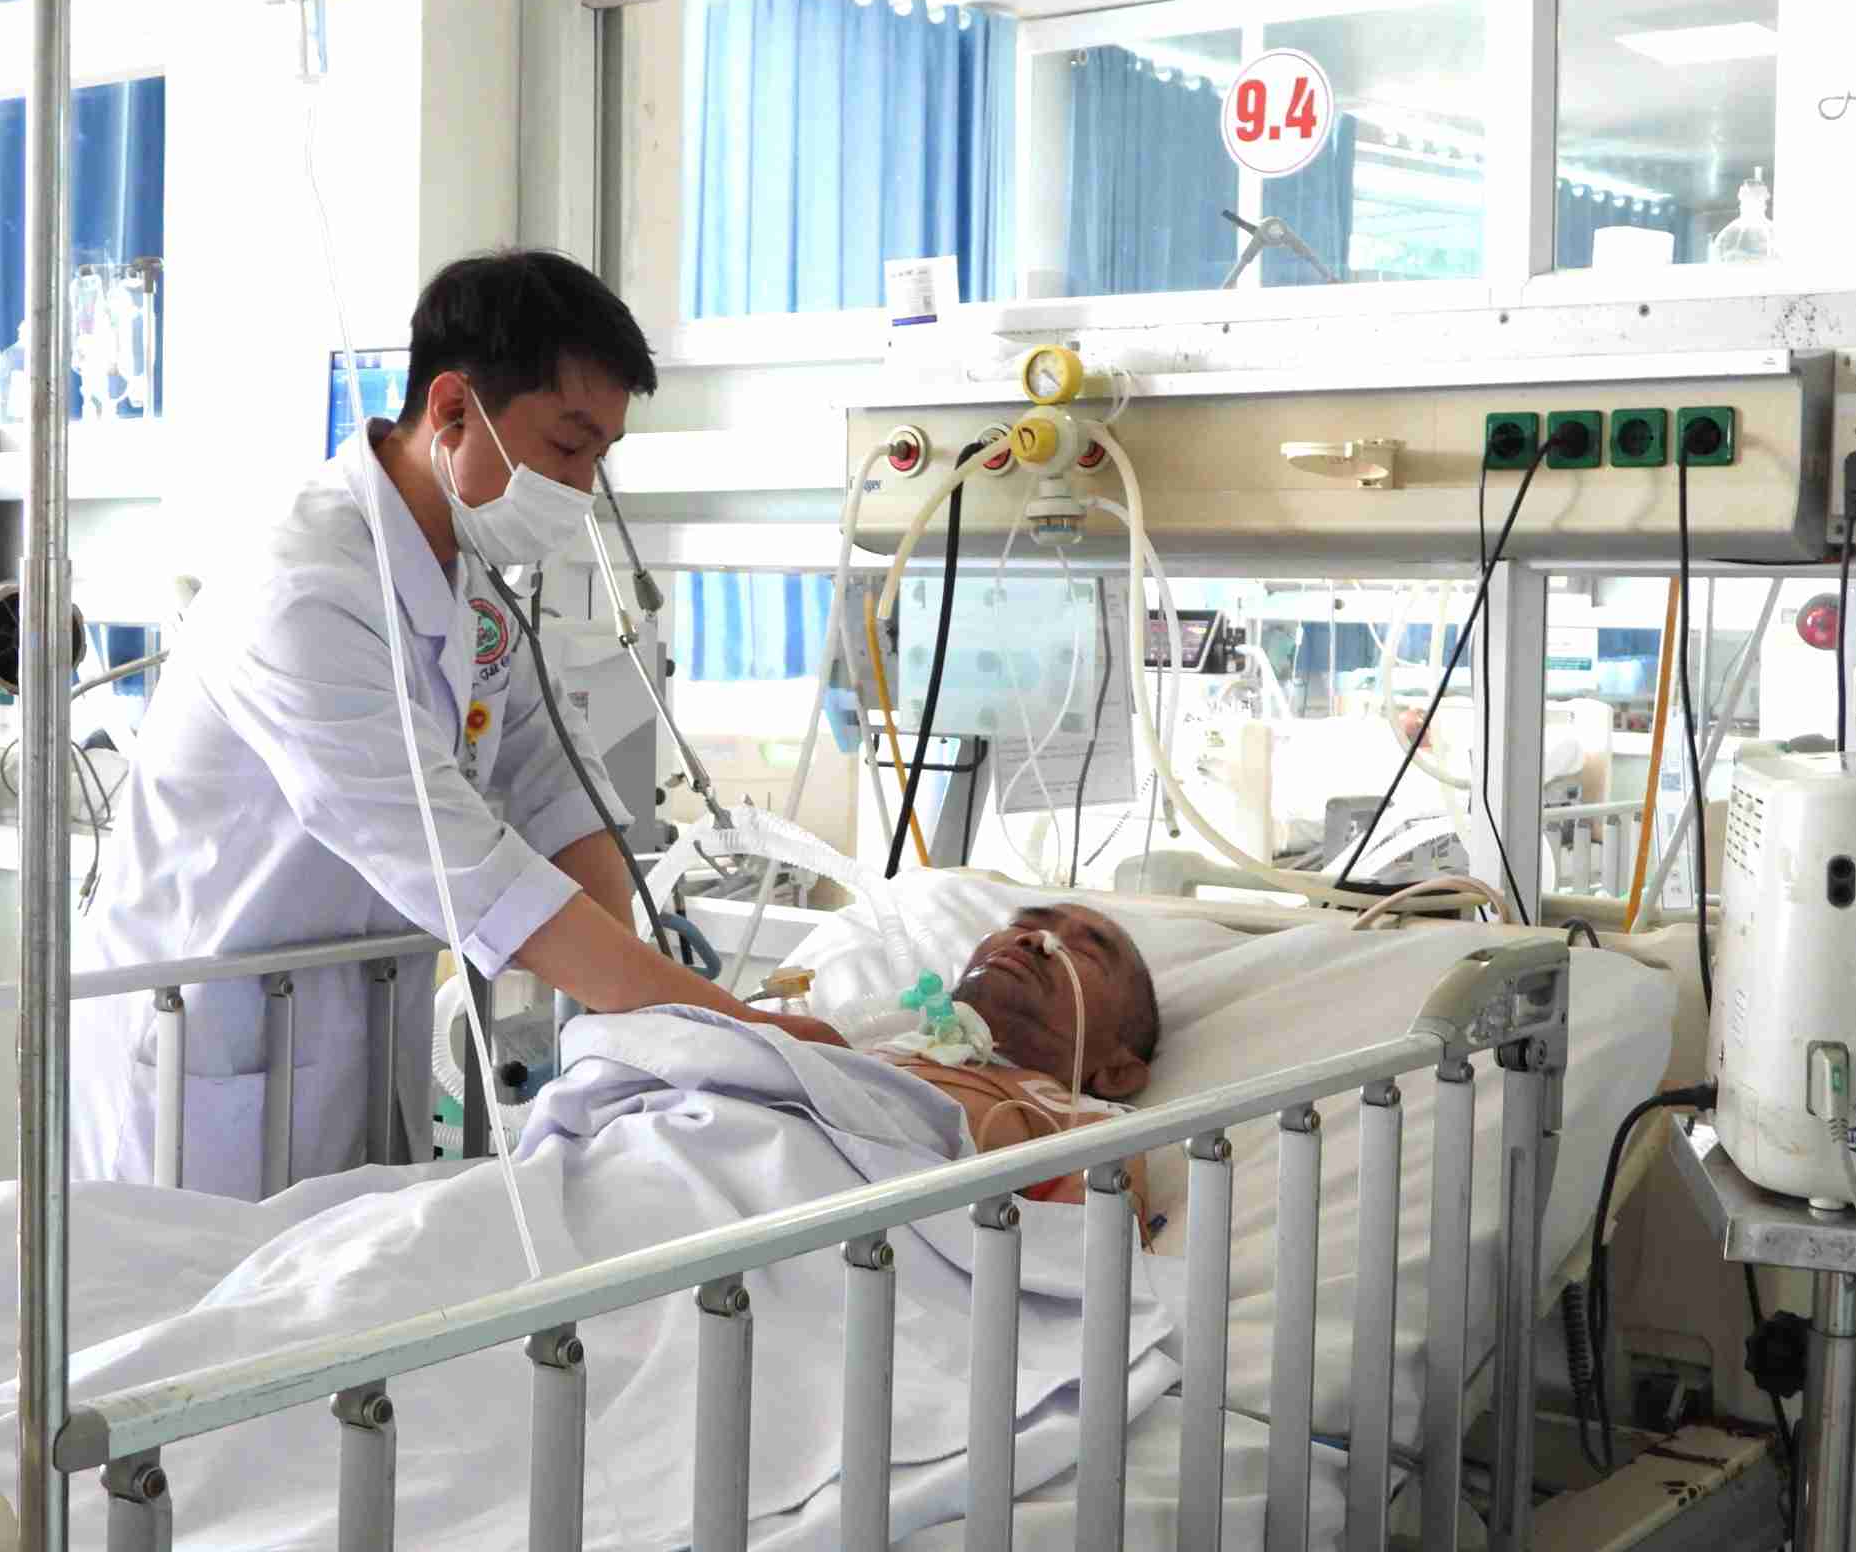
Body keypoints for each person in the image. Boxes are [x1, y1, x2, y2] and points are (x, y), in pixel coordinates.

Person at [72, 250, 842, 1198]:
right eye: (567, 447)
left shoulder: (471, 588)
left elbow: (554, 793)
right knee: (191, 1322)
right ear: (451, 410)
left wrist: (660, 1006)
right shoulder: (304, 595)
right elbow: (470, 869)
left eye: (600, 456)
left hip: (344, 1025)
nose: (582, 488)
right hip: (206, 1056)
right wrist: (732, 1027)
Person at [872, 903, 1158, 1233]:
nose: (1036, 938)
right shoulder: (878, 1046)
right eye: (1023, 926)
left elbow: (1084, 1257)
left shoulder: (1092, 1125)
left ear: (1117, 1073)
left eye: (1086, 951)